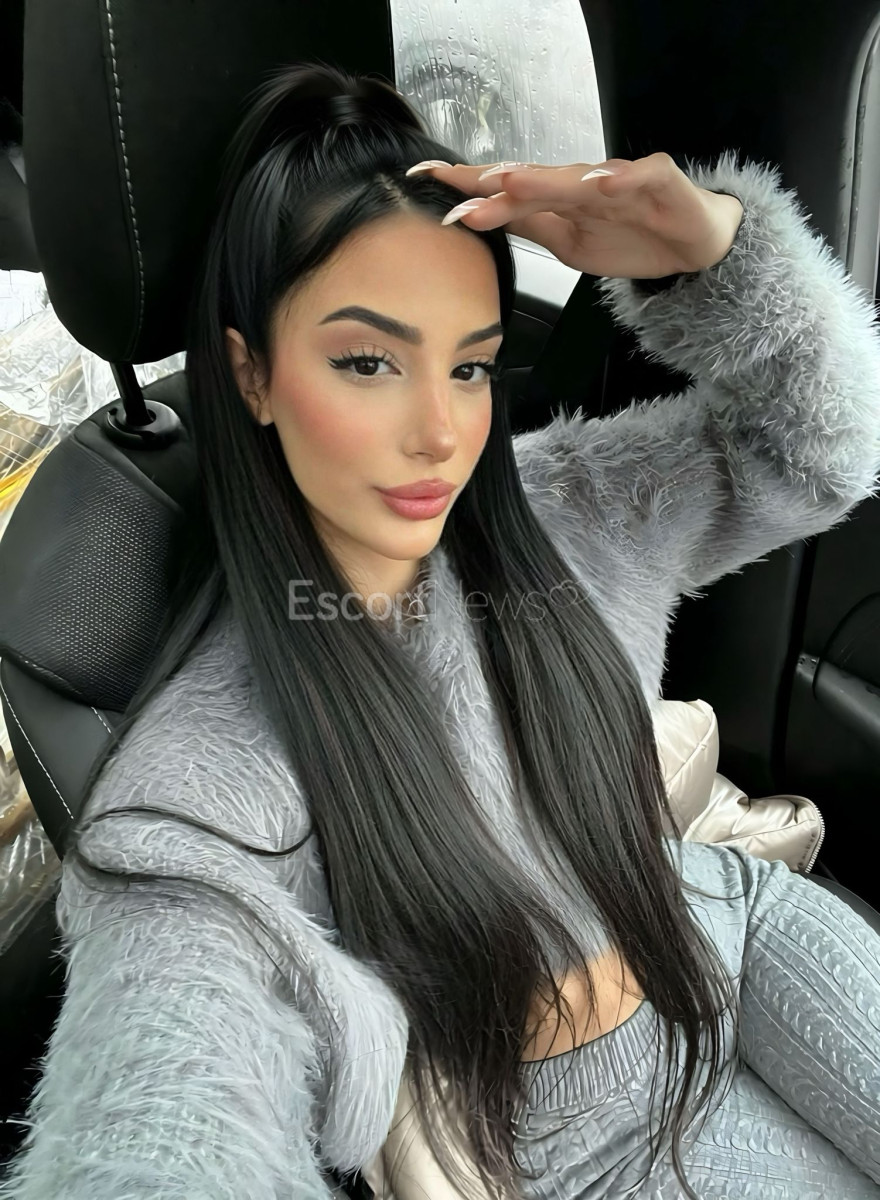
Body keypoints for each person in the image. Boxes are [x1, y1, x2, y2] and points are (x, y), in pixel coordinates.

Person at [1, 59, 879, 1200]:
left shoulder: (565, 507)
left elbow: (819, 457)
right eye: (367, 361)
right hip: (572, 1144)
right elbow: (167, 1088)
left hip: (728, 928)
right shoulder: (204, 790)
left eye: (470, 366)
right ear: (251, 373)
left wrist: (719, 251)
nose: (441, 433)